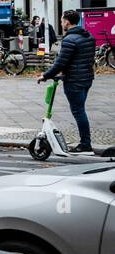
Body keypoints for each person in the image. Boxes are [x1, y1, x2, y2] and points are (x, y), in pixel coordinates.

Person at [41, 10, 105, 155]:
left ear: (67, 22)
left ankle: (85, 145)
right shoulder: (88, 36)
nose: (61, 23)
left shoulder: (70, 40)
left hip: (74, 81)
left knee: (79, 112)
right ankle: (85, 143)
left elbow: (61, 62)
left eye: (62, 20)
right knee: (80, 110)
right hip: (87, 79)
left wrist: (45, 75)